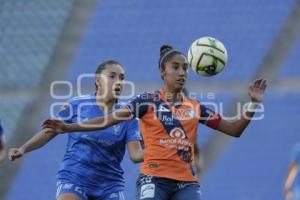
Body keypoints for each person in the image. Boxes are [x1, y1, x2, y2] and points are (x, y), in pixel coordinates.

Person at [42, 45, 267, 200]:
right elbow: (105, 121)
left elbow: (234, 129)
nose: (181, 73)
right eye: (175, 67)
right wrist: (68, 127)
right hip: (154, 179)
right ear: (163, 71)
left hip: (186, 183)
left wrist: (253, 104)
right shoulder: (145, 102)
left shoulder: (196, 107)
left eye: (185, 68)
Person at [8, 60, 144, 200]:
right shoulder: (77, 104)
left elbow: (136, 155)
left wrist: (164, 148)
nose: (118, 81)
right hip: (74, 178)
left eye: (122, 78)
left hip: (110, 185)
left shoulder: (129, 117)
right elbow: (49, 131)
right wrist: (23, 149)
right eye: (112, 76)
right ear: (98, 81)